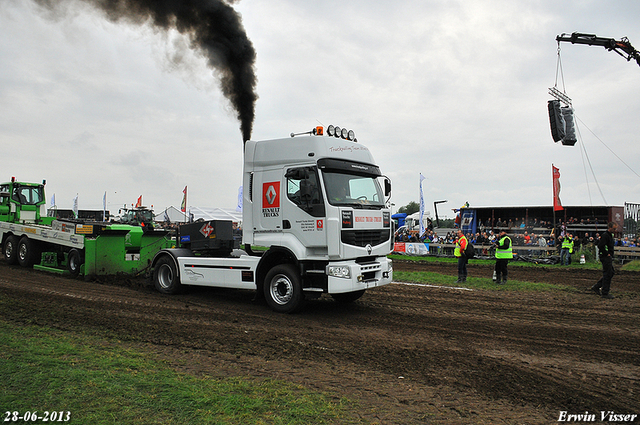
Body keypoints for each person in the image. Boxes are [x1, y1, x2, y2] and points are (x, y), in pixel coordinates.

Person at [590, 222, 617, 299]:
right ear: (610, 227)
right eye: (614, 229)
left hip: (607, 256)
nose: (615, 230)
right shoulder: (605, 235)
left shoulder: (609, 236)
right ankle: (605, 292)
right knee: (607, 274)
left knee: (611, 272)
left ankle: (597, 286)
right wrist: (606, 253)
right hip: (605, 257)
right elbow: (600, 245)